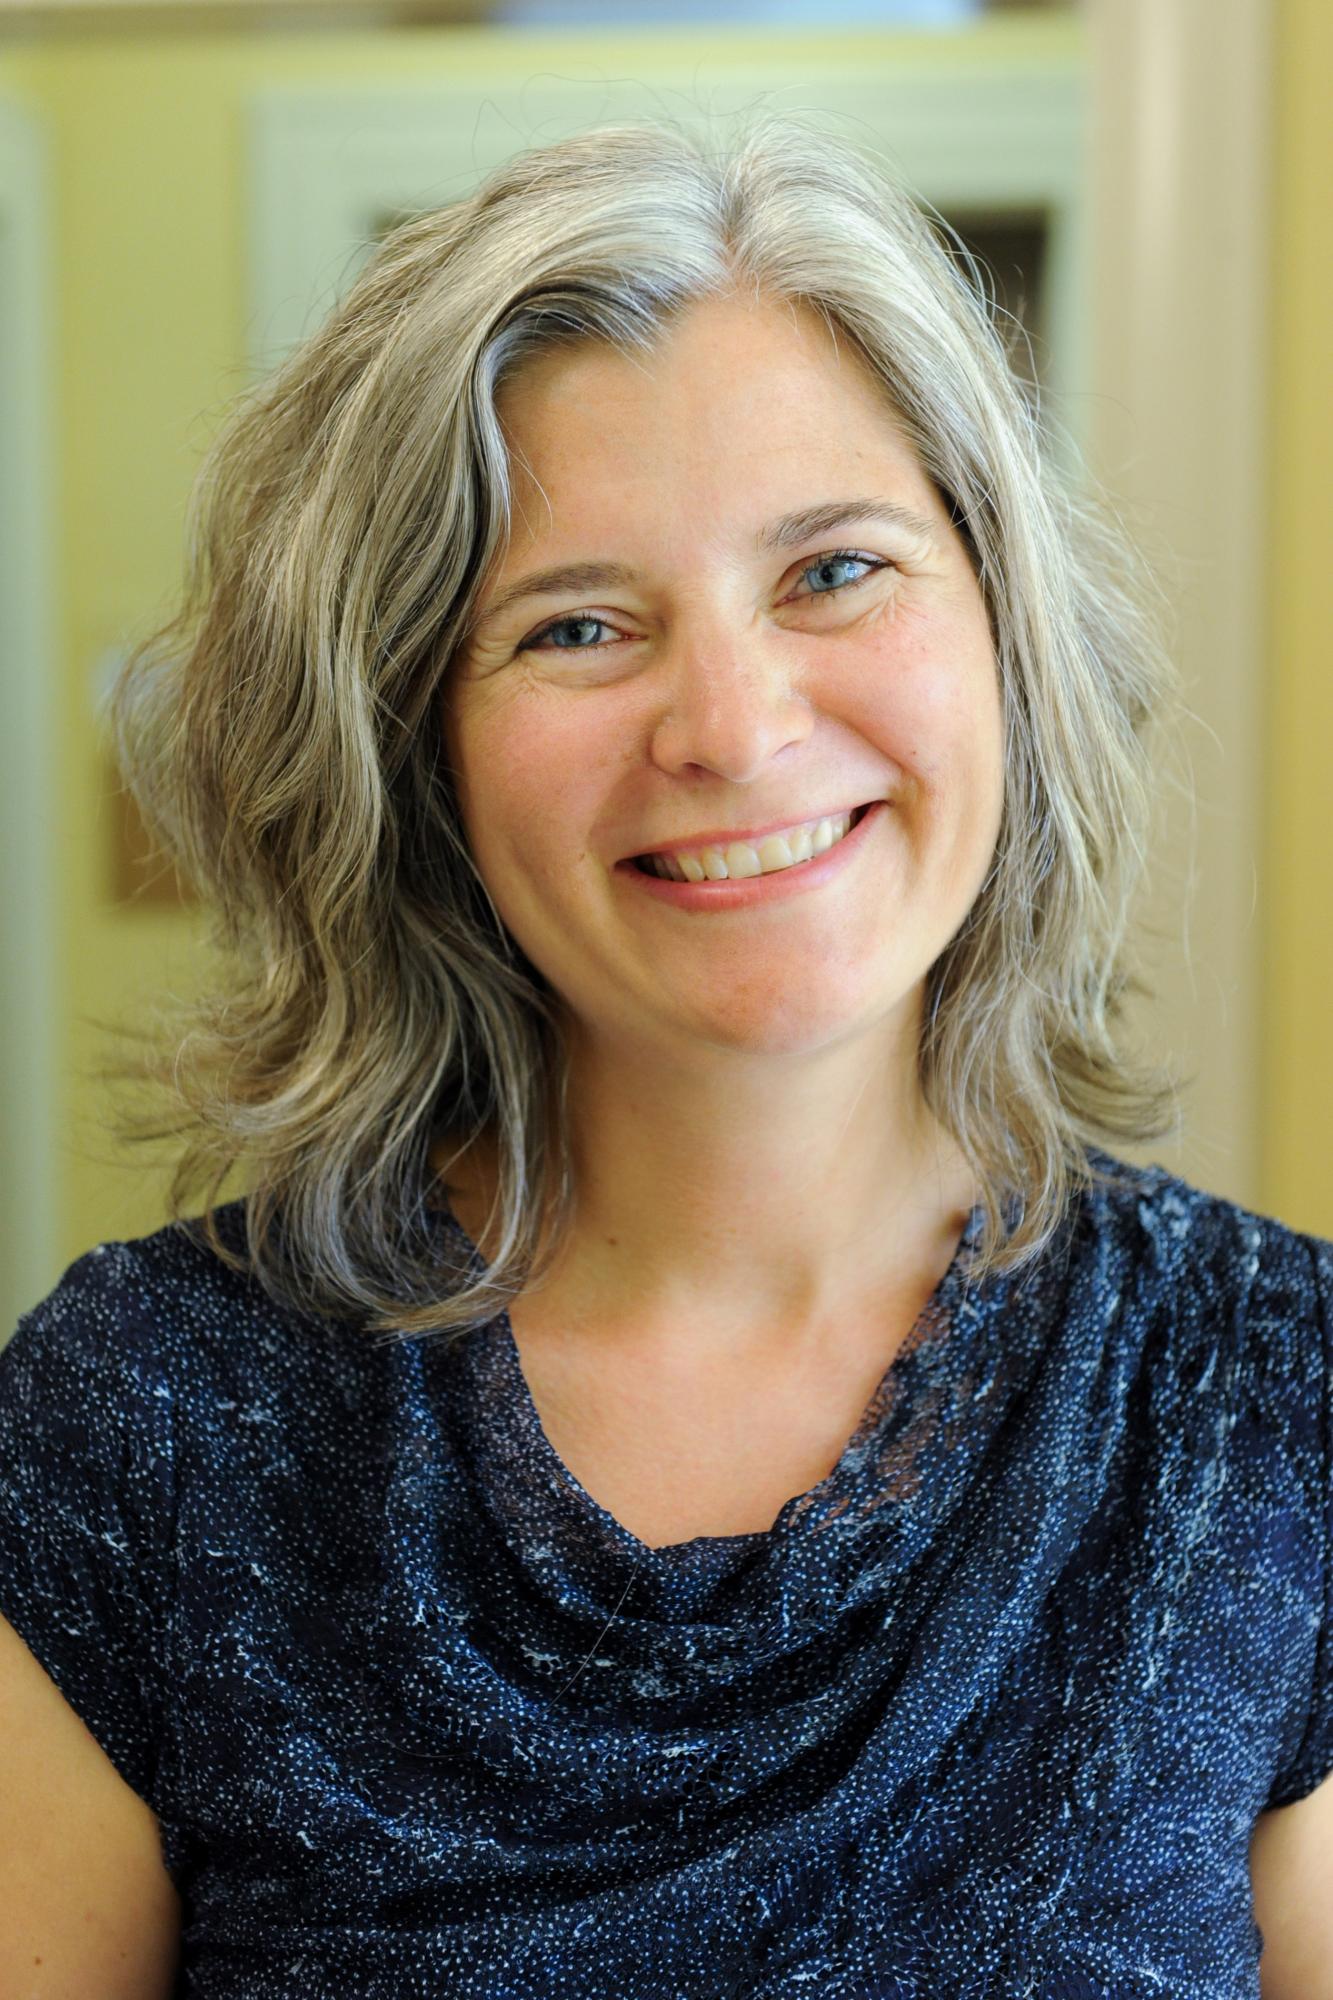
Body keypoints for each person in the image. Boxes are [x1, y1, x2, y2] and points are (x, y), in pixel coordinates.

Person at [0, 112, 1328, 1999]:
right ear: (413, 756)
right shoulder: (136, 1431)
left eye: (834, 572)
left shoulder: (1269, 1402)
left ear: (1005, 637)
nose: (729, 724)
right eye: (578, 623)